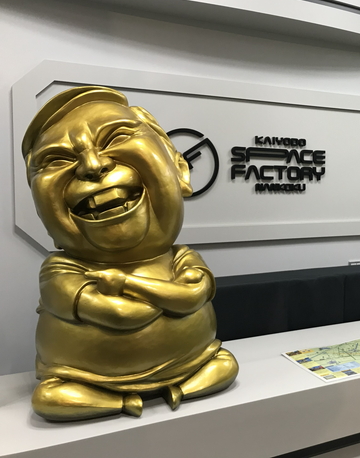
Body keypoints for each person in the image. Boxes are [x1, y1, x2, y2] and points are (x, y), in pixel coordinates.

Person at [22, 86, 238, 421]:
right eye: (56, 160)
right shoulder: (59, 270)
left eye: (116, 137)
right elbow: (122, 315)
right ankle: (117, 402)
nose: (92, 165)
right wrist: (162, 296)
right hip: (85, 378)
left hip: (192, 362)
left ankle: (180, 387)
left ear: (180, 169)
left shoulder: (180, 255)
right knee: (52, 398)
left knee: (225, 365)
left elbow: (193, 295)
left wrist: (124, 283)